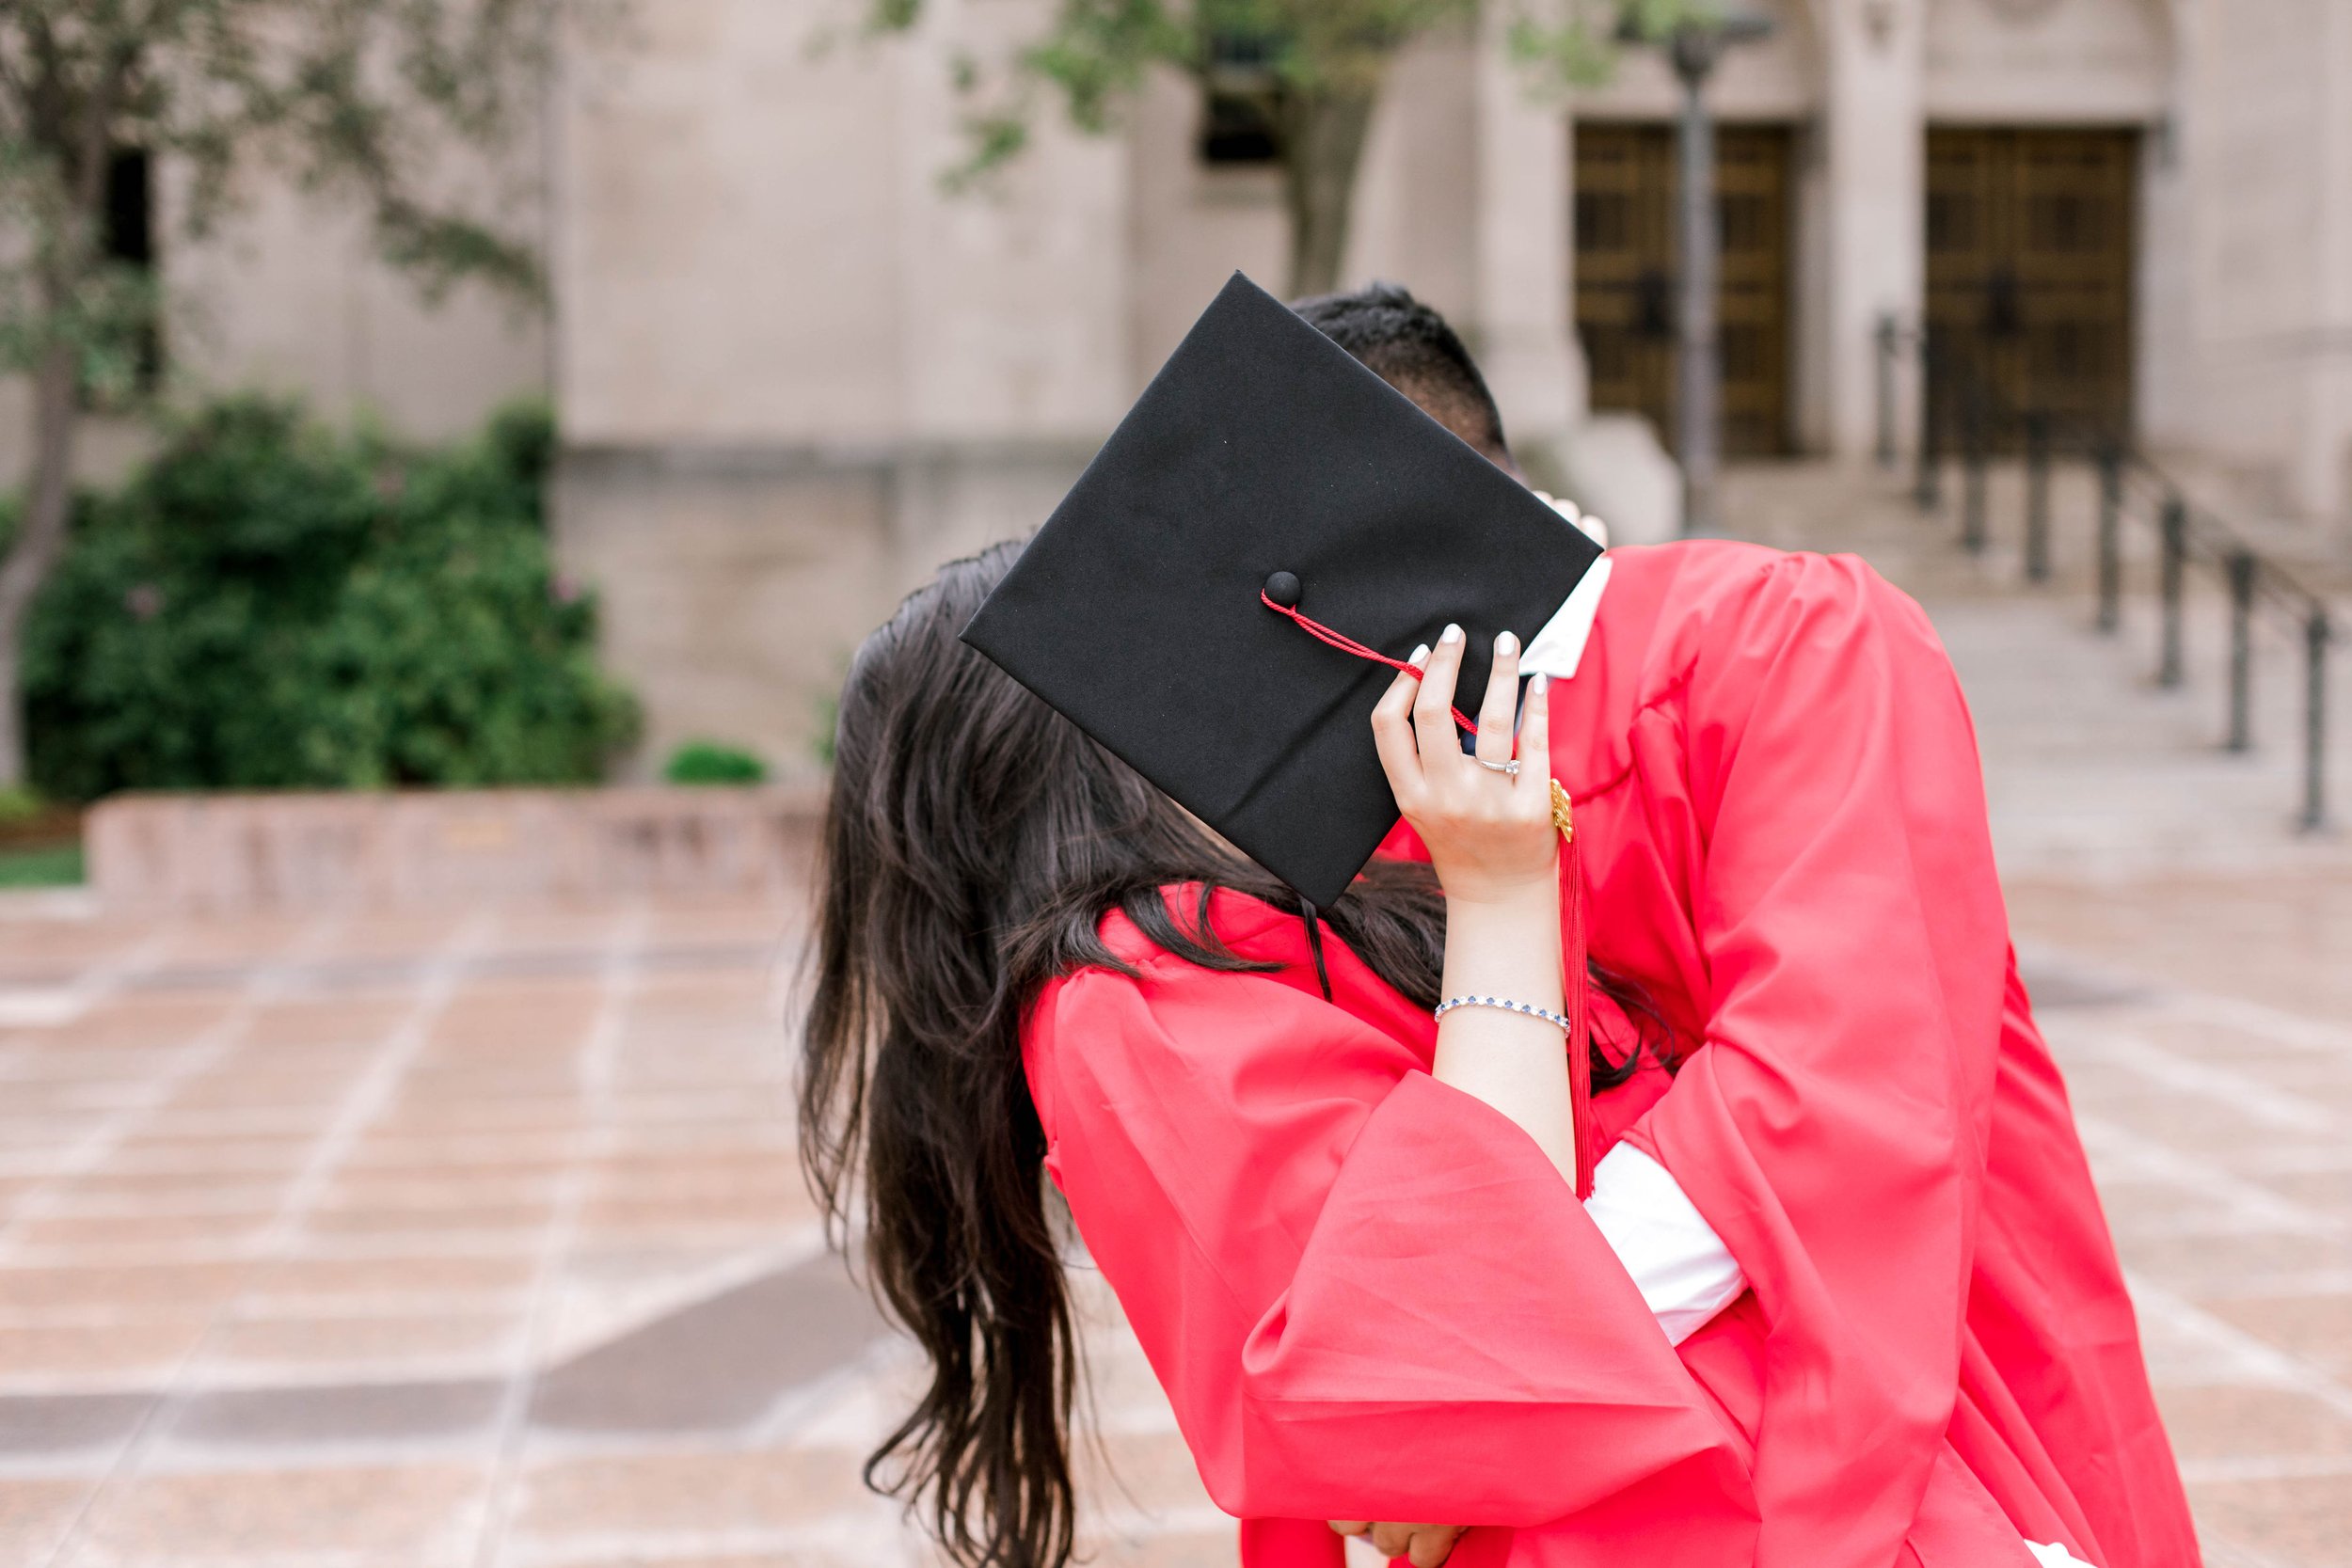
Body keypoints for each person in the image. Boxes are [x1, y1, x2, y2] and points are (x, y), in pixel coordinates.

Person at [799, 287, 2200, 1568]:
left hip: (1922, 1382)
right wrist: (1449, 1400)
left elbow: (1838, 1093)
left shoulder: (1788, 643)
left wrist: (1468, 1399)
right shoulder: (1308, 861)